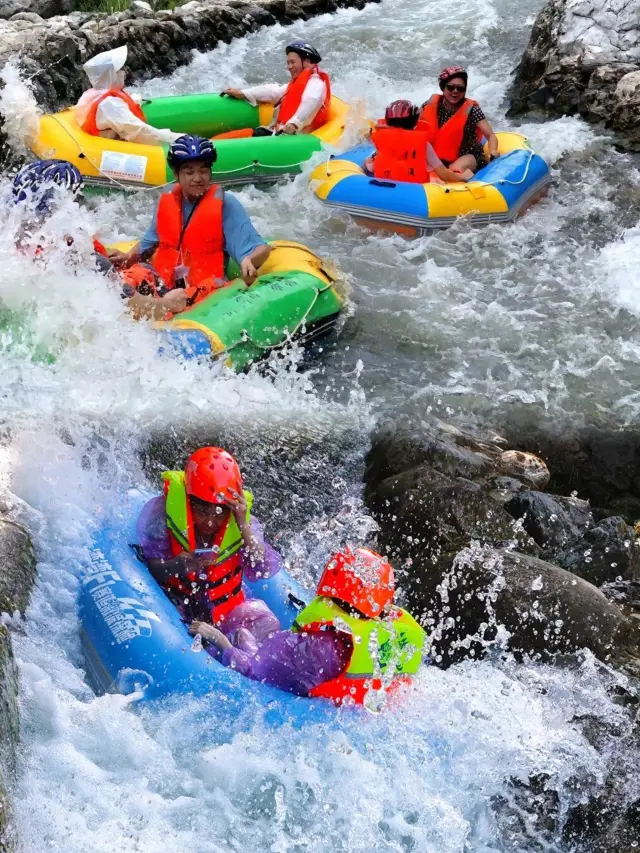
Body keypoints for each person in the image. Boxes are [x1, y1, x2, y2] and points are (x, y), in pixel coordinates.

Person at [189, 547, 427, 705]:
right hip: (352, 714)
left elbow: (256, 672)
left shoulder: (320, 647)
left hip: (294, 701)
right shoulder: (389, 637)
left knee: (244, 628)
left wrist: (219, 640)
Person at [11, 159, 186, 319]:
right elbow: (131, 306)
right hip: (94, 325)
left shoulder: (12, 244)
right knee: (144, 271)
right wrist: (170, 303)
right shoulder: (81, 255)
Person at [108, 135, 271, 304]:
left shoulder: (225, 204)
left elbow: (262, 250)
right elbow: (148, 246)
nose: (197, 178)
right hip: (165, 284)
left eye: (203, 170)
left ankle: (161, 307)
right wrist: (126, 258)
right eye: (189, 172)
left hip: (204, 290)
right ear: (176, 174)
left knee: (198, 291)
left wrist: (248, 259)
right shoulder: (168, 200)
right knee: (135, 275)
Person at [137, 447, 283, 625]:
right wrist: (175, 566)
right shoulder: (163, 513)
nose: (210, 522)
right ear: (189, 500)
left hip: (225, 610)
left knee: (266, 621)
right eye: (202, 511)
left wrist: (242, 524)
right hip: (175, 600)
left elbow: (263, 567)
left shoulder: (243, 522)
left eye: (220, 513)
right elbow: (148, 566)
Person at [75, 45, 181, 146]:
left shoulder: (93, 94)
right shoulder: (110, 104)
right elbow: (140, 133)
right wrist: (178, 138)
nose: (124, 73)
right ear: (111, 75)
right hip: (110, 150)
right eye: (119, 70)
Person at [221, 42, 330, 136]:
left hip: (295, 138)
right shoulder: (296, 83)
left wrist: (294, 123)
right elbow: (275, 92)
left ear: (306, 62)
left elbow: (310, 99)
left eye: (293, 62)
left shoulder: (316, 84)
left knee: (245, 136)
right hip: (278, 132)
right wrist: (243, 93)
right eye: (288, 63)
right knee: (240, 134)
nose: (289, 67)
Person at [365, 100, 475, 184]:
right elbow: (443, 174)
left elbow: (371, 166)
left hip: (384, 189)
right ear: (414, 121)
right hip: (414, 192)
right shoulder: (423, 145)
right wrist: (462, 179)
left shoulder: (381, 140)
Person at [416, 66, 499, 175]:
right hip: (436, 156)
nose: (455, 91)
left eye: (460, 88)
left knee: (456, 169)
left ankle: (464, 178)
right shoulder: (430, 104)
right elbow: (411, 124)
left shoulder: (472, 110)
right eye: (451, 87)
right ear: (443, 87)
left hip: (467, 155)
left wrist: (493, 152)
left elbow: (490, 135)